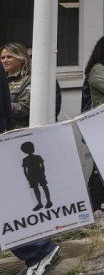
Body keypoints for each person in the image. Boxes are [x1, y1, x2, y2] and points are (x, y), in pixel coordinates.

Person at [0, 33, 61, 275]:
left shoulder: (32, 79)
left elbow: (18, 109)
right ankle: (37, 249)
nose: (5, 60)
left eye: (9, 56)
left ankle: (38, 250)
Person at [2, 43, 35, 130]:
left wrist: (3, 106)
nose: (5, 60)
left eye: (9, 57)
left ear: (22, 59)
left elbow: (25, 108)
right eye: (2, 58)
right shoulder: (2, 80)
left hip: (18, 131)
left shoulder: (30, 79)